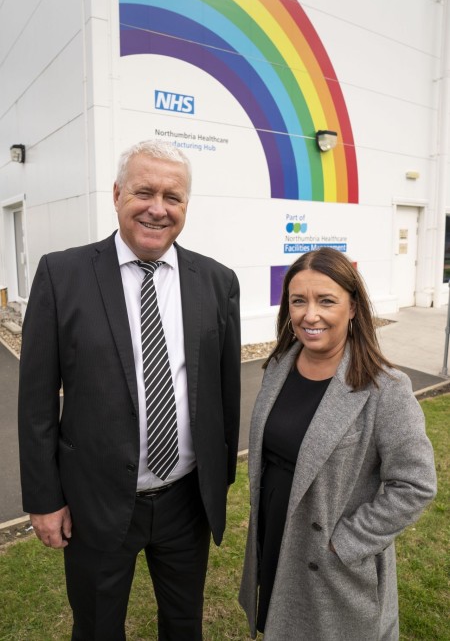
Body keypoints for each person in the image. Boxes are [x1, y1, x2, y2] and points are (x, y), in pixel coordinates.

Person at [18, 139, 241, 640]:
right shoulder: (62, 274)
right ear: (117, 194)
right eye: (144, 191)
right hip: (95, 501)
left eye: (173, 197)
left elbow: (225, 394)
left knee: (184, 624)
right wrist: (44, 499)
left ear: (186, 206)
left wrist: (217, 484)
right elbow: (34, 402)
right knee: (97, 627)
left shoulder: (216, 280)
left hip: (186, 501)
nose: (158, 209)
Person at [239, 247, 436, 641]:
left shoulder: (385, 389)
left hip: (330, 559)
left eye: (326, 300)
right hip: (277, 535)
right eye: (298, 301)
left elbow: (415, 485)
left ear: (353, 308)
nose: (310, 315)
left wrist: (345, 543)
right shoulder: (279, 367)